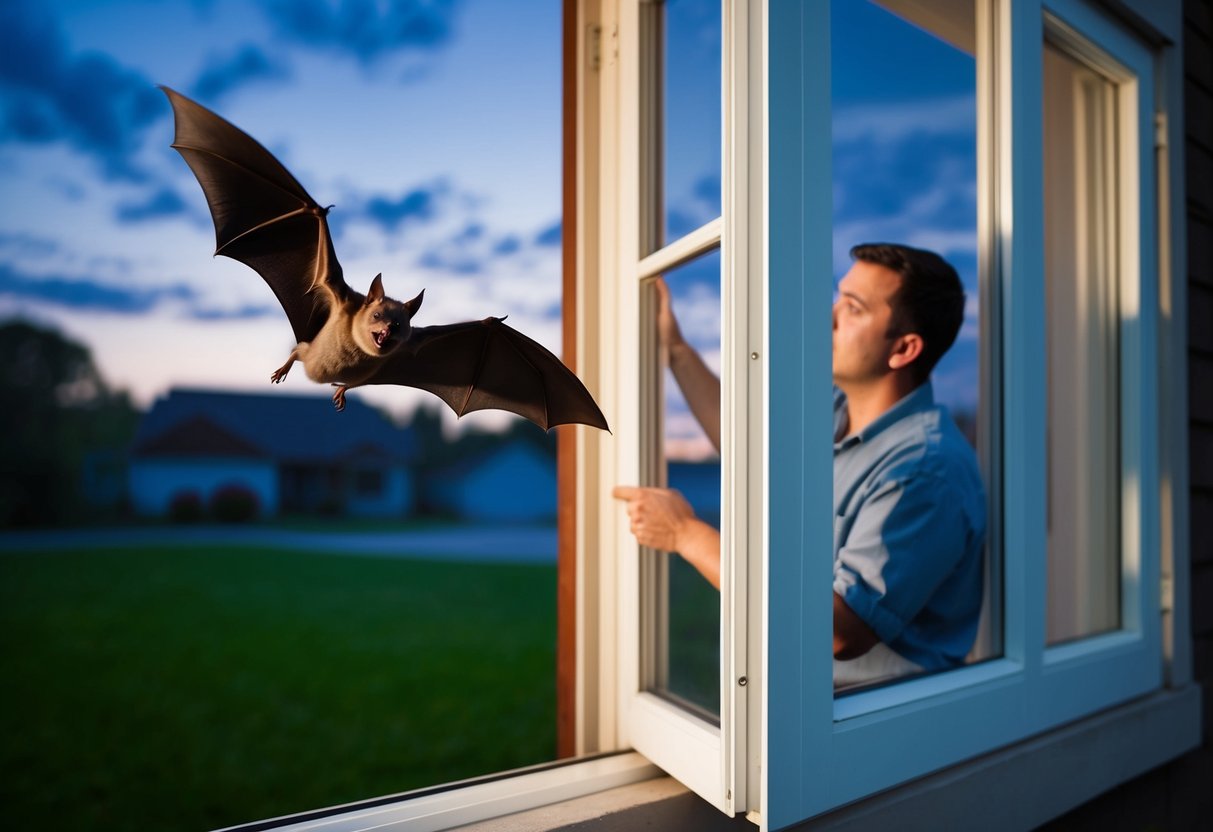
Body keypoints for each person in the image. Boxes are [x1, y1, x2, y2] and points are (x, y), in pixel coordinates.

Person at [613, 243, 987, 686]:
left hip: (871, 730)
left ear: (904, 349)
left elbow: (836, 632)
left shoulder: (926, 469)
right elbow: (746, 445)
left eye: (853, 308)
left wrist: (685, 534)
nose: (828, 317)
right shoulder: (833, 409)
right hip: (805, 710)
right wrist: (674, 349)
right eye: (838, 297)